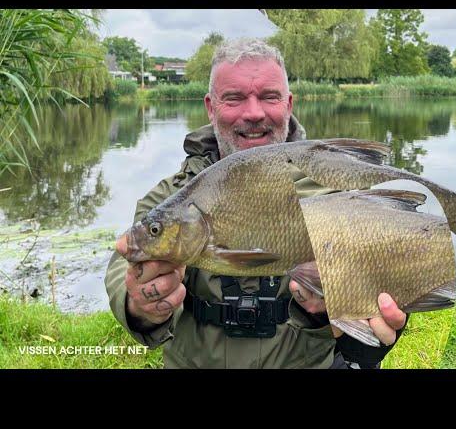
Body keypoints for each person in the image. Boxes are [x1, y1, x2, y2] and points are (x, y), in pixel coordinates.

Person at [105, 38, 408, 369]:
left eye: (269, 97)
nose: (253, 113)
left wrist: (370, 333)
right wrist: (139, 305)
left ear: (288, 104)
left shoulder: (336, 190)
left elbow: (387, 287)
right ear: (211, 107)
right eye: (234, 98)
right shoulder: (170, 200)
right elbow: (124, 269)